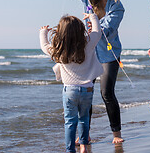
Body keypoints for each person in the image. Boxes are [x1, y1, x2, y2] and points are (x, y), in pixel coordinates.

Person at [62, 0, 126, 144]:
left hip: (109, 54)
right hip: (88, 52)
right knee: (86, 94)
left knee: (106, 93)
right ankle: (85, 135)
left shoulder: (117, 6)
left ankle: (117, 135)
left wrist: (93, 22)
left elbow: (107, 29)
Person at [39, 13, 103, 153]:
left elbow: (44, 46)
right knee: (84, 118)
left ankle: (70, 150)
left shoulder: (59, 50)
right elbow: (97, 33)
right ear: (80, 30)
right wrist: (93, 17)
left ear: (61, 33)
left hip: (70, 91)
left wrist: (43, 32)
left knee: (70, 121)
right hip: (87, 89)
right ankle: (83, 146)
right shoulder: (88, 44)